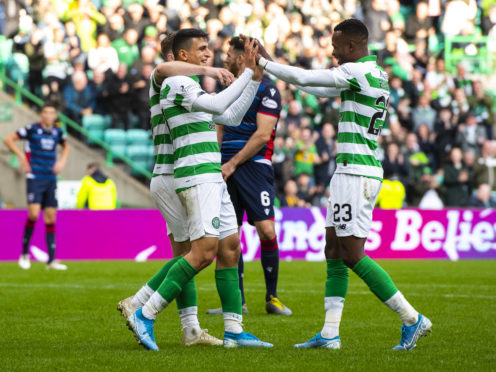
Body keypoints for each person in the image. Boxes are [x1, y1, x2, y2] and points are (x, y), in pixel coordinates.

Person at [255, 18, 432, 350]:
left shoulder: (359, 73)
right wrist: (279, 70)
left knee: (352, 254)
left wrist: (266, 62)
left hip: (357, 174)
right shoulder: (371, 74)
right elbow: (315, 86)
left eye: (337, 47)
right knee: (333, 250)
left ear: (352, 46)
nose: (333, 53)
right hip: (348, 172)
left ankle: (412, 318)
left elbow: (307, 77)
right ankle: (329, 333)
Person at [125, 29, 272, 350]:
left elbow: (230, 114)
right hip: (192, 174)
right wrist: (246, 73)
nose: (209, 54)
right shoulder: (175, 81)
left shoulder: (189, 84)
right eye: (202, 49)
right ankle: (145, 312)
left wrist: (254, 80)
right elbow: (221, 101)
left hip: (210, 175)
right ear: (182, 55)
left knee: (230, 246)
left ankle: (233, 329)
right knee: (201, 253)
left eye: (209, 48)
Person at [207, 36, 292, 316]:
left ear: (242, 57)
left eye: (229, 54)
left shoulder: (267, 90)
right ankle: (236, 301)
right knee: (229, 236)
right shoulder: (228, 87)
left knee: (266, 230)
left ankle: (273, 297)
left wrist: (231, 164)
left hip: (254, 165)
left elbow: (262, 135)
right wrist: (218, 162)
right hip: (225, 167)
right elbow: (220, 129)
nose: (224, 58)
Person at [3, 103, 70, 270]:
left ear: (55, 116)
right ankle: (24, 253)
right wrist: (21, 157)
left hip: (50, 178)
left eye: (52, 113)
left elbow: (66, 146)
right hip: (35, 177)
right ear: (42, 115)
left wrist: (61, 162)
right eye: (46, 112)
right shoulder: (31, 129)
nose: (48, 115)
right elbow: (8, 139)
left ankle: (51, 260)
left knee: (50, 217)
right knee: (33, 215)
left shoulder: (57, 132)